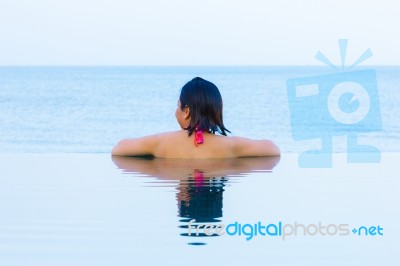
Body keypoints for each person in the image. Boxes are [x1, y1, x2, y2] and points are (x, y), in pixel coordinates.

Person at [112, 77, 280, 158]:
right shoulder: (231, 146)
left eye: (178, 105)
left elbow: (118, 149)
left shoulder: (161, 143)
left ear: (186, 111)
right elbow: (273, 150)